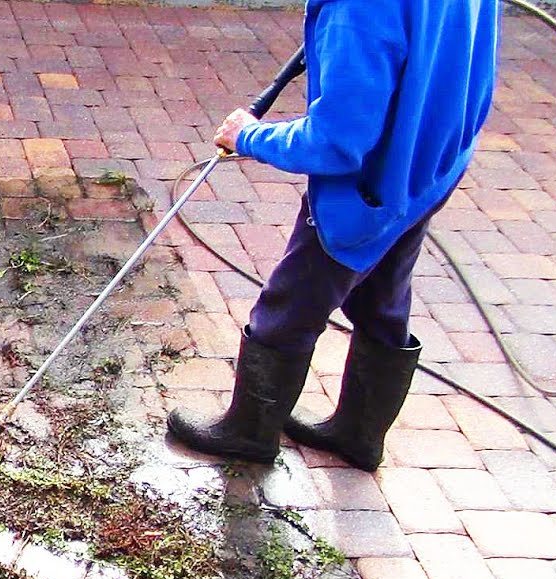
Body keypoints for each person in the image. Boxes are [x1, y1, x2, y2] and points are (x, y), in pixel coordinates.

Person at [167, 0, 502, 471]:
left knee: (288, 307)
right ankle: (358, 433)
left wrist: (249, 137)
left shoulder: (359, 10)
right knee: (381, 299)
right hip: (427, 167)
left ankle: (248, 432)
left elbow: (336, 143)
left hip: (366, 192)